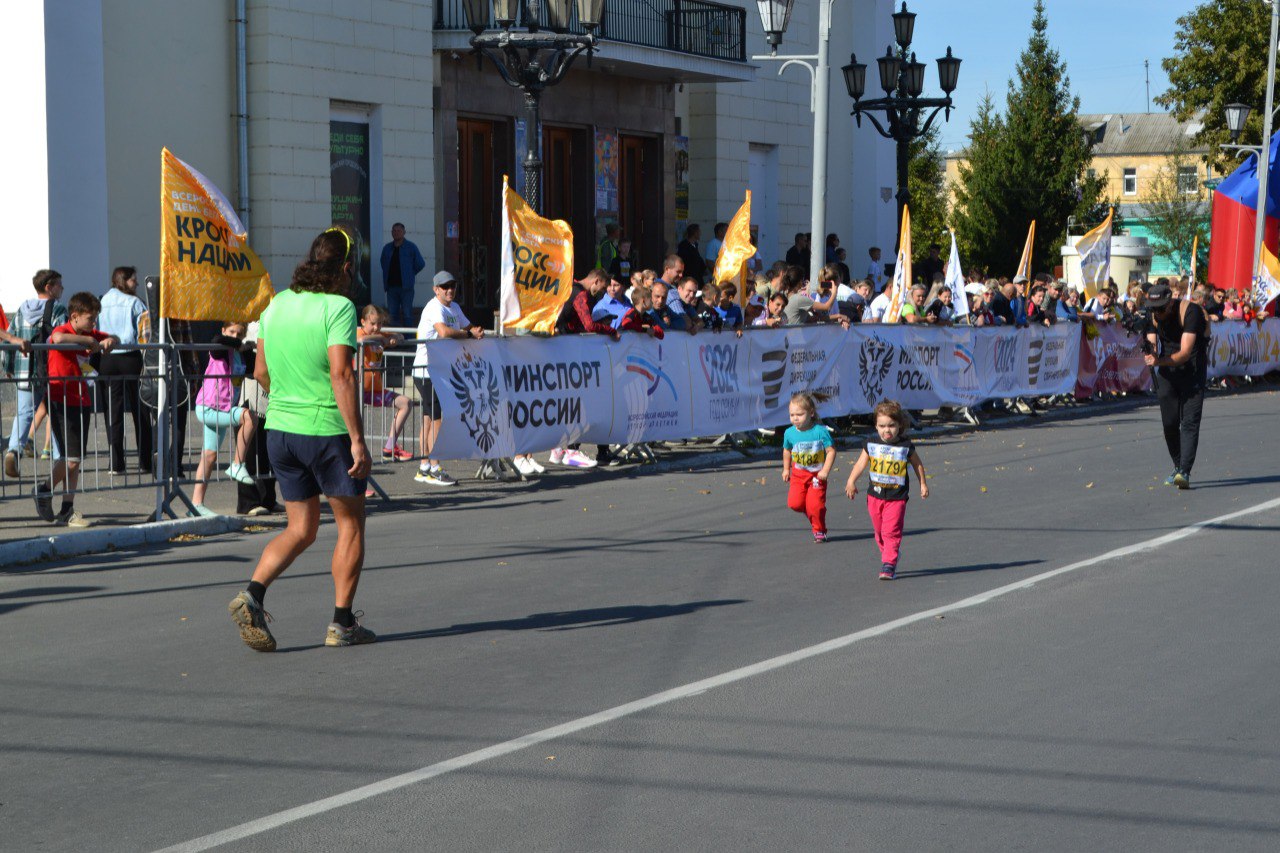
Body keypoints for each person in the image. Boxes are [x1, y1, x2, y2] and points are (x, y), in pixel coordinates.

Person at [228, 227, 373, 651]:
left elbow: (260, 373)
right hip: (325, 430)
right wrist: (358, 440)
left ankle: (252, 594)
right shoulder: (339, 307)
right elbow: (341, 374)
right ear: (345, 268)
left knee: (301, 528)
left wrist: (289, 398)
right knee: (350, 524)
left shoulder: (277, 304)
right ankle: (342, 623)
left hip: (281, 431)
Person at [36, 291, 120, 527]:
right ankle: (44, 489)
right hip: (62, 399)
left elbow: (114, 337)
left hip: (81, 399)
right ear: (74, 316)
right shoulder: (63, 330)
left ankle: (67, 508)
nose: (94, 324)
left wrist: (109, 340)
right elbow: (58, 340)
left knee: (75, 458)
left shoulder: (89, 332)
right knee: (71, 458)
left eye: (95, 319)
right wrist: (89, 342)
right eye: (90, 319)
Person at [843, 399, 928, 580]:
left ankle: (889, 563)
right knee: (880, 532)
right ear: (876, 425)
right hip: (875, 496)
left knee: (891, 531)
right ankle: (890, 553)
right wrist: (851, 481)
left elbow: (917, 464)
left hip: (897, 497)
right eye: (882, 426)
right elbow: (860, 464)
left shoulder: (905, 446)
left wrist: (923, 484)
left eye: (891, 425)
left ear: (900, 425)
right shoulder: (871, 443)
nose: (886, 430)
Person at [413, 270, 483, 487]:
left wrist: (477, 331)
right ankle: (434, 467)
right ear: (436, 290)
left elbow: (467, 326)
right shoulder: (434, 307)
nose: (450, 290)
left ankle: (424, 466)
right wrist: (469, 335)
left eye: (452, 285)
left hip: (438, 370)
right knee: (436, 420)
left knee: (428, 418)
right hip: (427, 370)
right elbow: (443, 332)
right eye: (445, 287)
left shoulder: (455, 307)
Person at [1142, 282, 1210, 490]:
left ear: (1170, 302)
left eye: (1161, 308)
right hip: (1167, 372)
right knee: (1170, 423)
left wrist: (1158, 361)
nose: (1158, 313)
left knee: (1189, 421)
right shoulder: (1153, 313)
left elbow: (1185, 353)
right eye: (1154, 309)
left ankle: (1185, 472)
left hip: (1192, 370)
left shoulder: (1191, 312)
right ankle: (1178, 466)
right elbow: (1152, 342)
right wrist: (1150, 352)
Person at [189, 322, 259, 517]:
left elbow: (259, 368)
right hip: (208, 407)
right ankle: (237, 464)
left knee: (209, 456)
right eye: (232, 332)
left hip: (223, 408)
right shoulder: (219, 350)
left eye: (239, 333)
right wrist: (239, 344)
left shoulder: (242, 354)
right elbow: (217, 340)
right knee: (249, 417)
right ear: (224, 331)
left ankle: (196, 504)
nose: (235, 336)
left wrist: (256, 347)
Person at [3, 270, 63, 478]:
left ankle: (13, 450)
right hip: (52, 369)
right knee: (57, 412)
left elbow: (10, 336)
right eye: (59, 285)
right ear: (49, 287)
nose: (61, 289)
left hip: (24, 369)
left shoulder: (22, 308)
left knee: (25, 413)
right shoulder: (57, 309)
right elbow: (63, 338)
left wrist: (8, 366)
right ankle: (59, 458)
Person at [97, 266, 152, 475]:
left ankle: (116, 463)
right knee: (141, 410)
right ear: (123, 280)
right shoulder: (135, 302)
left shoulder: (103, 301)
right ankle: (145, 460)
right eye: (133, 280)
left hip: (108, 358)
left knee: (113, 411)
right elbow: (145, 333)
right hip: (130, 356)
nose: (136, 284)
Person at [357, 305, 414, 463]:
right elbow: (360, 340)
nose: (376, 328)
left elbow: (400, 336)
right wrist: (381, 338)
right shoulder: (360, 332)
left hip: (375, 390)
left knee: (405, 403)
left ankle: (389, 447)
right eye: (373, 323)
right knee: (354, 427)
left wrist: (393, 338)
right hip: (357, 390)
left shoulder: (380, 334)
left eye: (380, 324)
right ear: (363, 322)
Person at [782, 391, 835, 543]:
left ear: (811, 413)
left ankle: (819, 530)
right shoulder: (789, 433)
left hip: (817, 476)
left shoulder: (820, 432)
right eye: (792, 415)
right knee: (795, 504)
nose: (795, 418)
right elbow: (787, 450)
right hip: (798, 475)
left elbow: (831, 451)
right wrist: (786, 469)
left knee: (815, 506)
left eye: (799, 414)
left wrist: (825, 470)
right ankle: (813, 515)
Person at [379, 222, 427, 327]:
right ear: (391, 232)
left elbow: (420, 264)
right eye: (394, 231)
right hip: (391, 288)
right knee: (392, 315)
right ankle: (395, 340)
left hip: (406, 288)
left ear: (404, 232)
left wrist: (410, 274)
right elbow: (383, 263)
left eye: (399, 231)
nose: (396, 233)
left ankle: (409, 342)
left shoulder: (411, 247)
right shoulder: (387, 248)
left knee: (407, 314)